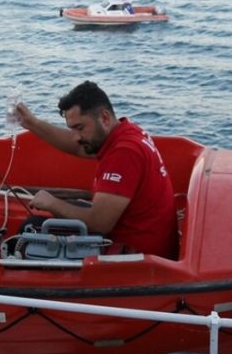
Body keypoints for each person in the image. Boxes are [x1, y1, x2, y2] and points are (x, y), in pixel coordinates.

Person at [13, 80, 177, 257]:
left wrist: (52, 203)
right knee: (59, 212)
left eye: (80, 128)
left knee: (30, 228)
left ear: (104, 118)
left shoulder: (124, 153)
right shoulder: (125, 133)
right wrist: (32, 123)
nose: (76, 137)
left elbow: (100, 223)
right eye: (72, 129)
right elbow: (78, 147)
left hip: (138, 257)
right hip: (141, 237)